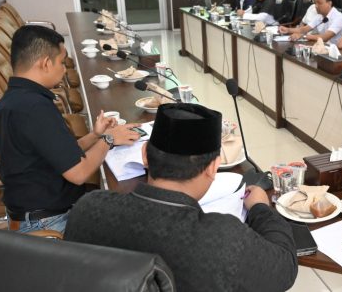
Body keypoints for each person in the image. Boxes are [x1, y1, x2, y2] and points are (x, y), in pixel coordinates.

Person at [64, 103, 298, 292]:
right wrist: (259, 208)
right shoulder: (224, 238)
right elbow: (284, 267)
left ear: (145, 155)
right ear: (213, 167)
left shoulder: (87, 208)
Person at [0, 25, 141, 234]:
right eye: (61, 62)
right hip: (48, 223)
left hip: (36, 211)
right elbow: (78, 173)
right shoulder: (33, 109)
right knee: (132, 225)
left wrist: (96, 135)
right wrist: (109, 141)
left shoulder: (15, 99)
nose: (64, 69)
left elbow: (60, 152)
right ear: (45, 63)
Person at [278, 0, 342, 45]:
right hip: (324, 48)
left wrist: (303, 36)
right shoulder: (320, 16)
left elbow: (324, 37)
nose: (316, 6)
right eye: (315, 3)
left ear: (329, 3)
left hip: (339, 53)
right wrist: (287, 30)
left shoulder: (339, 18)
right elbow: (304, 29)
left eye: (319, 3)